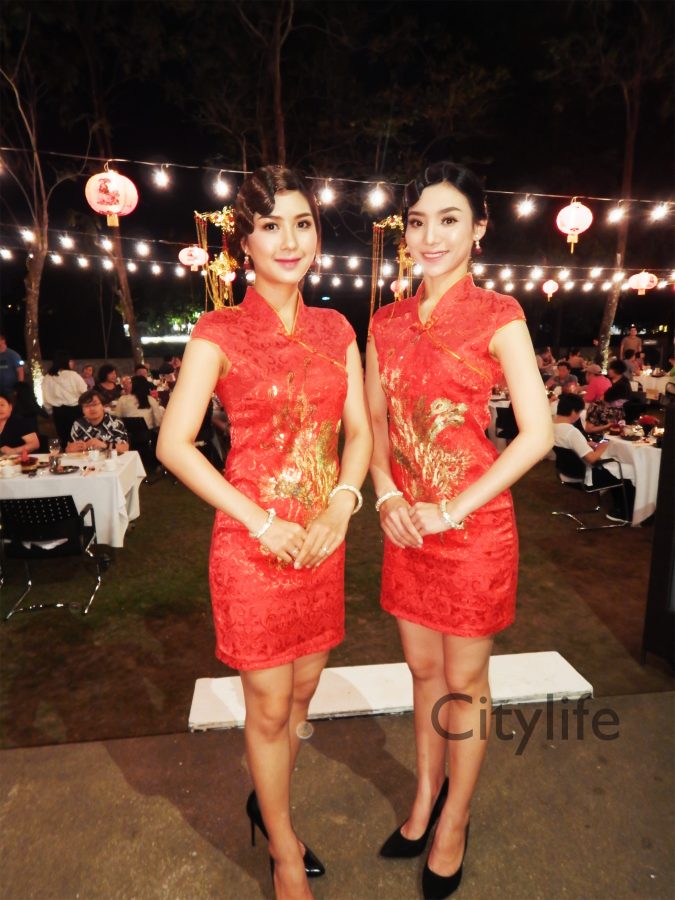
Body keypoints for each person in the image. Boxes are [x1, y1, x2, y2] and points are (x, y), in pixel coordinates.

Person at [157, 165, 372, 900]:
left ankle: (266, 799)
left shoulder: (336, 328)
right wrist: (259, 520)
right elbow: (175, 444)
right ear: (244, 242)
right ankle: (282, 848)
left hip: (321, 540)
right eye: (270, 225)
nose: (289, 240)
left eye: (302, 223)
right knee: (269, 706)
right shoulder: (218, 331)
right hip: (253, 545)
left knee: (303, 691)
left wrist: (341, 504)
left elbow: (359, 433)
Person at [366, 161, 552, 900]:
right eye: (417, 222)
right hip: (406, 528)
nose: (430, 236)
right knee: (422, 674)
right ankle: (424, 799)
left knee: (466, 683)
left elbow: (536, 434)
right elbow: (373, 426)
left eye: (448, 219)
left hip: (471, 530)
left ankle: (455, 821)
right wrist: (386, 495)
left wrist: (450, 510)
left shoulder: (499, 314)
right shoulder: (383, 322)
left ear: (478, 229)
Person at [553, 393, 633, 522]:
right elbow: (592, 459)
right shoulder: (571, 432)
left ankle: (618, 507)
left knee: (616, 467)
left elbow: (571, 446)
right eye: (579, 413)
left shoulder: (552, 427)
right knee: (628, 470)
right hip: (583, 476)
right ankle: (623, 512)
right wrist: (604, 443)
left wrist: (589, 444)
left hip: (565, 472)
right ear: (573, 412)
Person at [41, 351, 88, 449]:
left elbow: (46, 399)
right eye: (71, 361)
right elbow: (85, 393)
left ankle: (67, 456)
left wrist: (50, 412)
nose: (73, 363)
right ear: (66, 362)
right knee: (79, 437)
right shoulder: (73, 375)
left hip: (58, 413)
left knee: (64, 439)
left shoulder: (47, 377)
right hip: (75, 411)